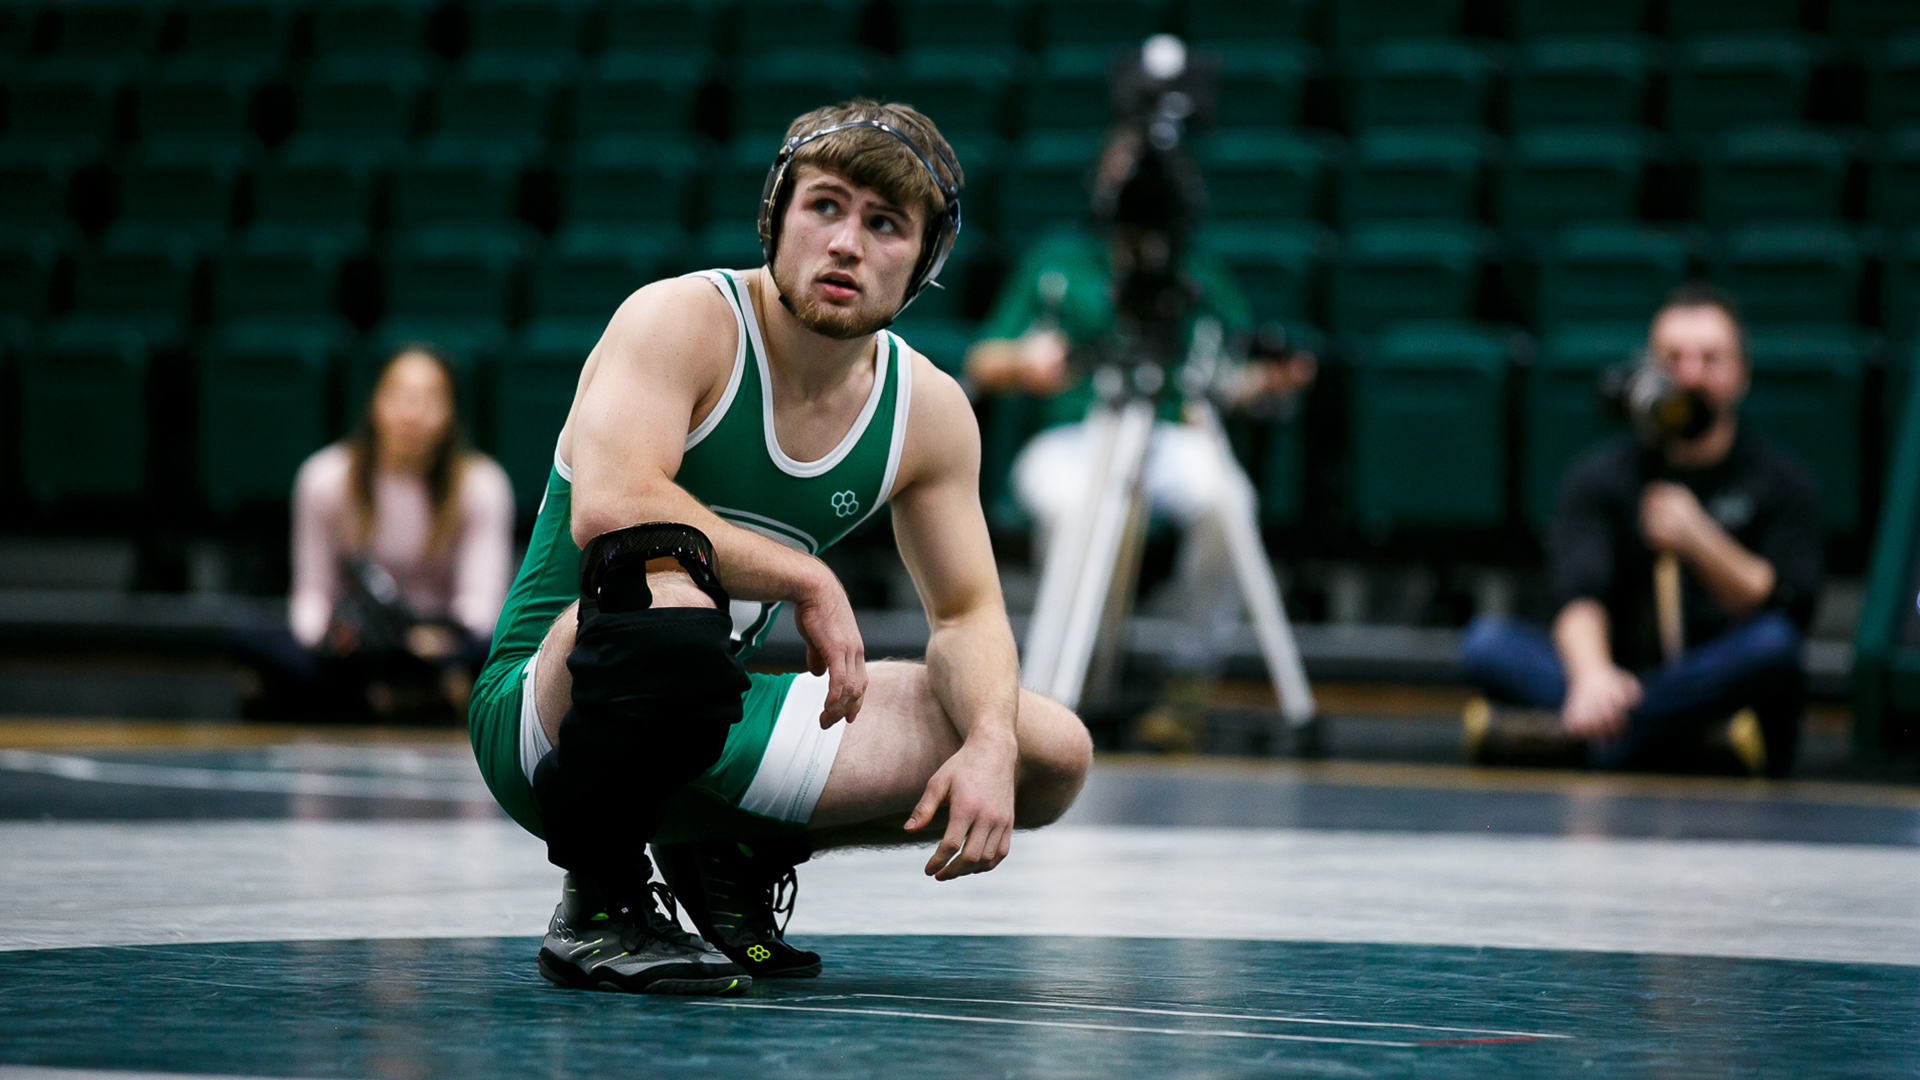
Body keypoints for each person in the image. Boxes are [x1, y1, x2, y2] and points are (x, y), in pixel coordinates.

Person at [466, 100, 1093, 996]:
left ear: (924, 263)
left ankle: (724, 844)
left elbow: (967, 613)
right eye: (825, 207)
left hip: (701, 714)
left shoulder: (931, 411)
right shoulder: (681, 320)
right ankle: (598, 901)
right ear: (776, 216)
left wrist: (990, 739)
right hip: (546, 714)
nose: (847, 244)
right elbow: (610, 508)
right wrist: (805, 574)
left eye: (885, 226)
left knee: (1050, 753)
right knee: (665, 579)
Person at [963, 126, 1314, 752]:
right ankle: (1068, 684)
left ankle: (1189, 674)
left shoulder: (1197, 274)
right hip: (1073, 434)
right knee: (1076, 505)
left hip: (1172, 431)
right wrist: (1027, 362)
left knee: (1227, 499)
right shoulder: (1057, 262)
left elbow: (1226, 375)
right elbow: (983, 359)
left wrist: (1268, 379)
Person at [1460, 283, 1822, 776]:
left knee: (1773, 648)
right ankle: (1647, 732)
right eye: (1674, 360)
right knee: (1485, 644)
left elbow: (1788, 608)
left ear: (1740, 373)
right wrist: (1592, 677)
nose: (1691, 376)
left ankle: (1598, 737)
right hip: (1615, 675)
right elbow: (1577, 593)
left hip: (1717, 679)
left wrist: (1698, 539)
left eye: (1710, 360)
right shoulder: (1601, 476)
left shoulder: (1780, 481)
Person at [276, 345, 515, 720]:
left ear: (451, 412)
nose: (411, 413)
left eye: (428, 399)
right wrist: (324, 637)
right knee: (251, 638)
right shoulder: (323, 478)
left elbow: (481, 608)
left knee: (499, 652)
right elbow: (312, 593)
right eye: (398, 395)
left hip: (441, 643)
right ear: (375, 402)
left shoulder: (482, 484)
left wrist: (434, 640)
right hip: (358, 645)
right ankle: (404, 696)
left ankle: (390, 695)